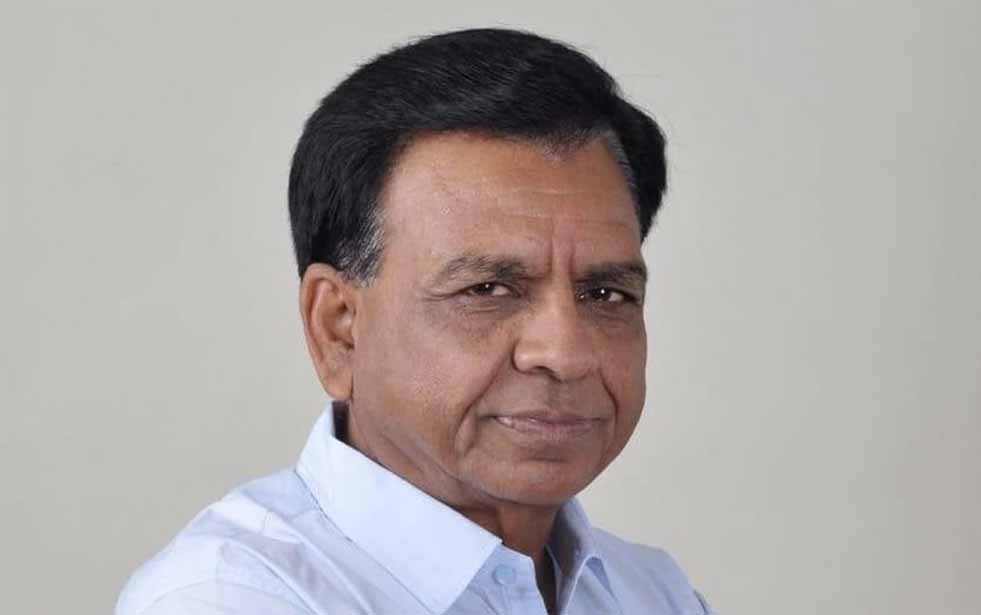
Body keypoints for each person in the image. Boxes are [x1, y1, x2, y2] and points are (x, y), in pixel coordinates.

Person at [116, 28, 713, 615]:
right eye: (487, 289)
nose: (565, 353)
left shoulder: (653, 593)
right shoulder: (227, 597)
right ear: (338, 329)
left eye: (606, 293)